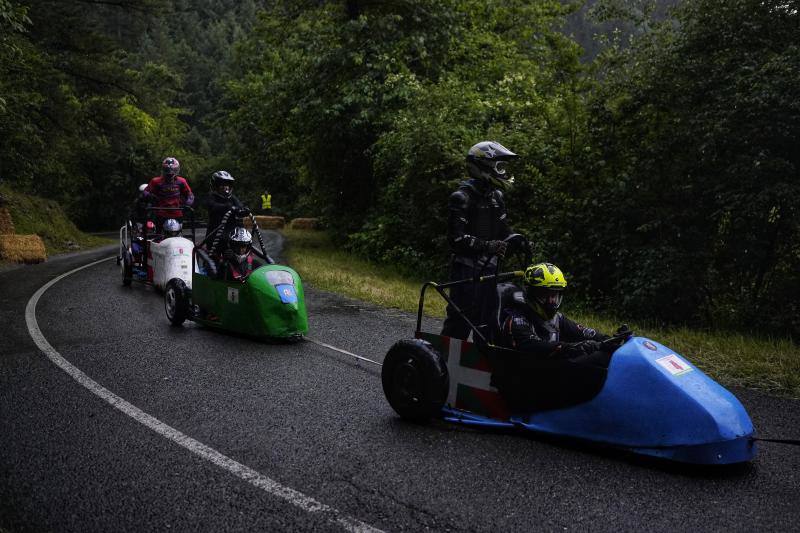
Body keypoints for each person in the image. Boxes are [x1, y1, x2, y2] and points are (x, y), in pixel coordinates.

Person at [441, 140, 520, 340]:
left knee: (487, 323)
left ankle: (482, 368)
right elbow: (456, 240)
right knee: (460, 321)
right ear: (483, 166)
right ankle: (439, 364)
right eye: (498, 166)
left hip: (490, 269)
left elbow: (504, 231)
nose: (502, 172)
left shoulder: (496, 197)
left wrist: (517, 242)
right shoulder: (462, 197)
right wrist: (488, 246)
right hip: (465, 270)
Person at [498, 262, 611, 365]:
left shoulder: (557, 319)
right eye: (545, 295)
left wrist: (611, 340)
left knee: (605, 356)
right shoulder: (517, 319)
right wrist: (574, 348)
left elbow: (584, 332)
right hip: (526, 376)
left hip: (551, 372)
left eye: (554, 295)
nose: (551, 301)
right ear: (530, 293)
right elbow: (534, 346)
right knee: (598, 359)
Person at [143, 157, 194, 229]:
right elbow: (145, 191)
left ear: (177, 170)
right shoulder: (156, 181)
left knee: (178, 235)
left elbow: (190, 195)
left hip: (177, 213)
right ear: (164, 170)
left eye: (173, 170)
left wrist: (187, 204)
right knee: (159, 236)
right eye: (167, 170)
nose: (170, 172)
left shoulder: (181, 181)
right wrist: (150, 196)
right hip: (161, 213)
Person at [205, 170, 244, 236]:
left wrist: (243, 210)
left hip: (231, 231)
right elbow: (213, 206)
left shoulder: (232, 197)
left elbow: (240, 205)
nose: (225, 187)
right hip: (216, 231)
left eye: (227, 184)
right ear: (215, 186)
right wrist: (227, 207)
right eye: (222, 184)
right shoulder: (211, 196)